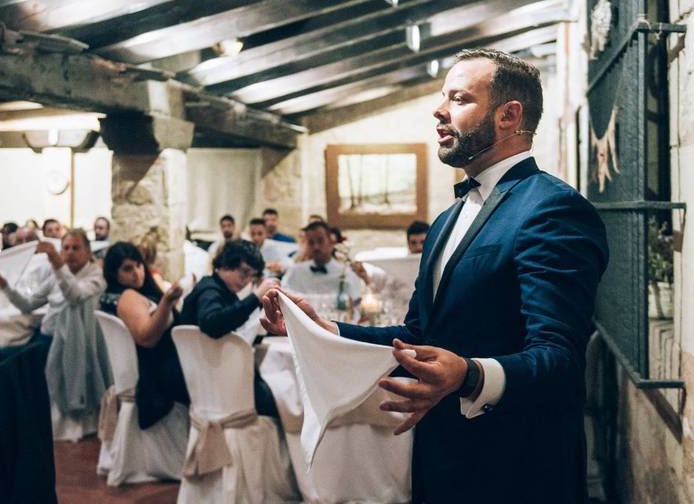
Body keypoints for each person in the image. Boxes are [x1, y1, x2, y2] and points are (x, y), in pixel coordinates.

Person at [263, 49, 608, 503]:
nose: (439, 110)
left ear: (509, 116)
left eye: (460, 98)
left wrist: (469, 375)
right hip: (440, 457)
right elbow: (420, 333)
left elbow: (560, 360)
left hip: (517, 467)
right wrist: (325, 330)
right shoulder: (446, 220)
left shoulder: (552, 209)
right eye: (443, 97)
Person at [179, 239, 280, 417]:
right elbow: (212, 324)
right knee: (279, 391)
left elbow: (237, 322)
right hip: (206, 378)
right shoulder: (210, 290)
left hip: (212, 370)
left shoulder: (221, 289)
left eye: (252, 276)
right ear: (226, 264)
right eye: (244, 272)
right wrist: (256, 297)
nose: (247, 280)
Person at [101, 241, 189, 428]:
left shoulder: (116, 295)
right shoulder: (127, 297)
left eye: (139, 265)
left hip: (160, 365)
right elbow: (147, 338)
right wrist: (166, 303)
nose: (137, 272)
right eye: (128, 268)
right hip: (159, 372)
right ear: (114, 273)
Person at [0, 229, 105, 349]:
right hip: (45, 338)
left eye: (75, 248)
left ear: (88, 252)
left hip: (71, 345)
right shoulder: (57, 275)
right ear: (61, 252)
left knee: (4, 365)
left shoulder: (96, 276)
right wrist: (1, 281)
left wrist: (56, 261)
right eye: (66, 248)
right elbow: (27, 305)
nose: (70, 252)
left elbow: (75, 296)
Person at [281, 220, 363, 302]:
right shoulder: (295, 272)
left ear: (331, 243)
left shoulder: (346, 273)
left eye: (320, 241)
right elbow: (284, 298)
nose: (316, 247)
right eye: (311, 242)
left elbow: (356, 306)